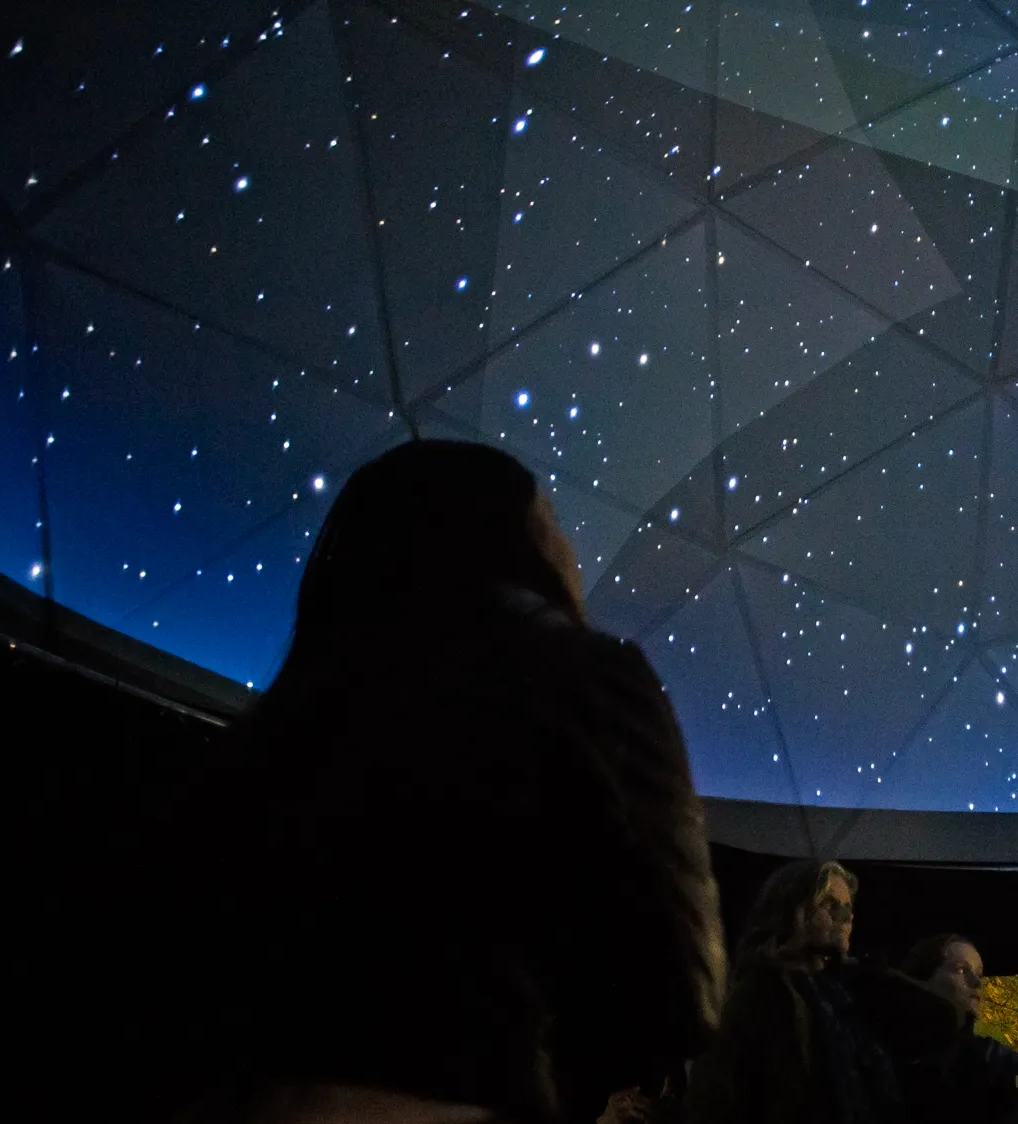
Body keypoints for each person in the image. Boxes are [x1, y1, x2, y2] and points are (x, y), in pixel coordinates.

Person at [177, 441, 725, 1124]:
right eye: (551, 518)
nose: (571, 545)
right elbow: (674, 996)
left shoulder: (292, 714)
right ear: (518, 539)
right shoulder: (588, 678)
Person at [685, 861, 950, 1124]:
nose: (845, 917)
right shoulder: (760, 993)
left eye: (847, 907)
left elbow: (945, 1018)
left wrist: (873, 972)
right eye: (830, 904)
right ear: (793, 912)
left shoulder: (846, 996)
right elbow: (714, 1096)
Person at [895, 934, 1018, 1124]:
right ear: (923, 980)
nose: (977, 982)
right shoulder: (881, 1049)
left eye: (979, 974)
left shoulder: (1000, 1061)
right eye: (961, 970)